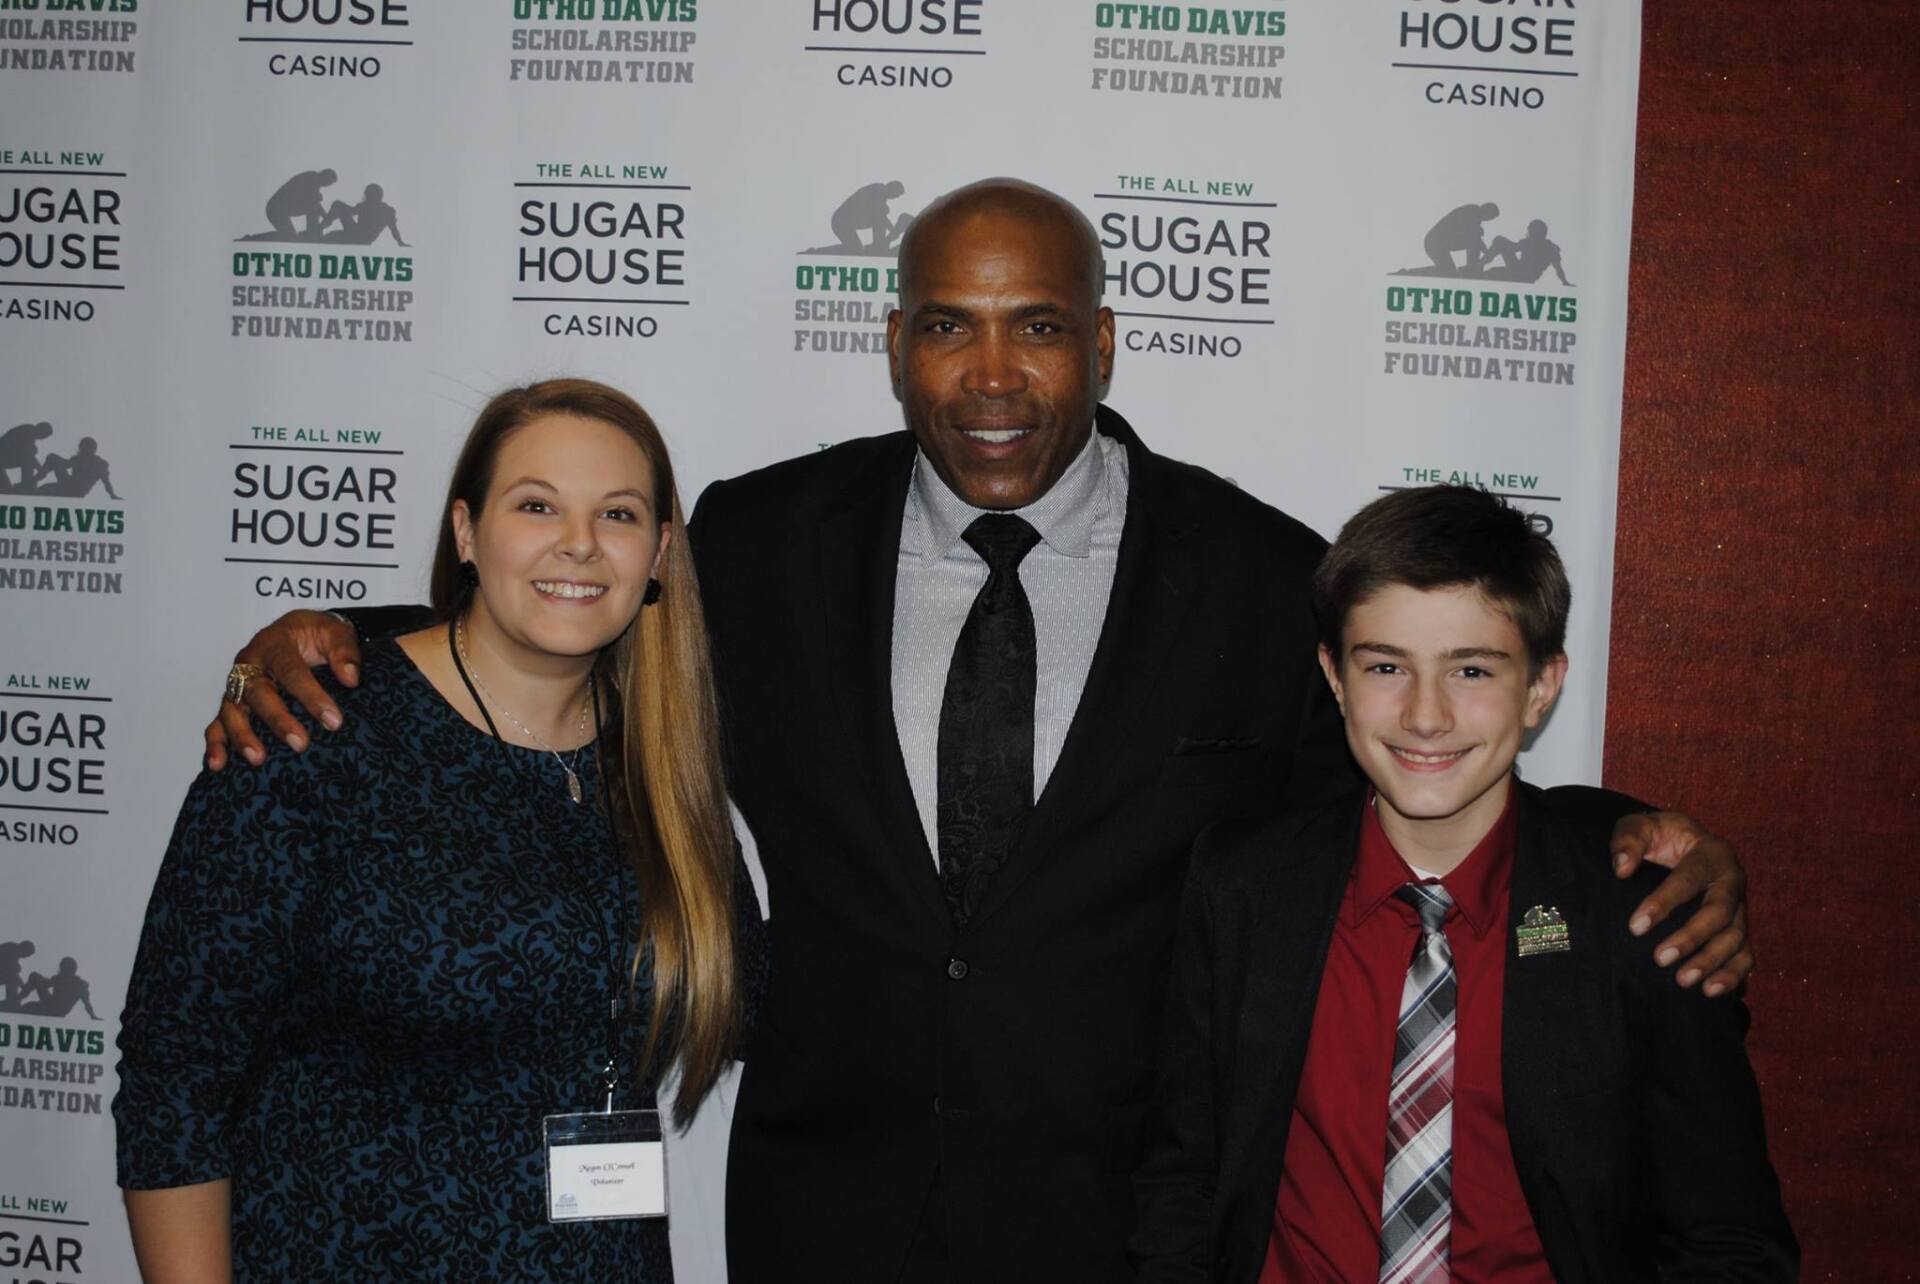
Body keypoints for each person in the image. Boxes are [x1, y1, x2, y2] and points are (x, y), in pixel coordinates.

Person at [202, 180, 1752, 1282]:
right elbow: (551, 634)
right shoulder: (756, 541)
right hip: (818, 1213)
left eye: (1040, 328)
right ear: (894, 342)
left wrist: (1628, 838)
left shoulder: (1259, 574)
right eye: (950, 326)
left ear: (1105, 340)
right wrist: (338, 639)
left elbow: (1411, 775)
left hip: (1122, 1224)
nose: (994, 375)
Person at [116, 379, 759, 1282]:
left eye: (616, 514)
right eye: (537, 504)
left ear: (657, 553)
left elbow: (759, 1010)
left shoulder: (662, 770)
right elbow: (172, 1082)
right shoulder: (312, 737)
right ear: (466, 532)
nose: (579, 542)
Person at [1131, 485, 1796, 1282]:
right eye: (1385, 666)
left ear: (1542, 687)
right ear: (1334, 678)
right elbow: (1184, 1180)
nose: (1425, 715)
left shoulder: (1643, 910)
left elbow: (1728, 1241)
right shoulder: (1244, 885)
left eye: (1471, 670)